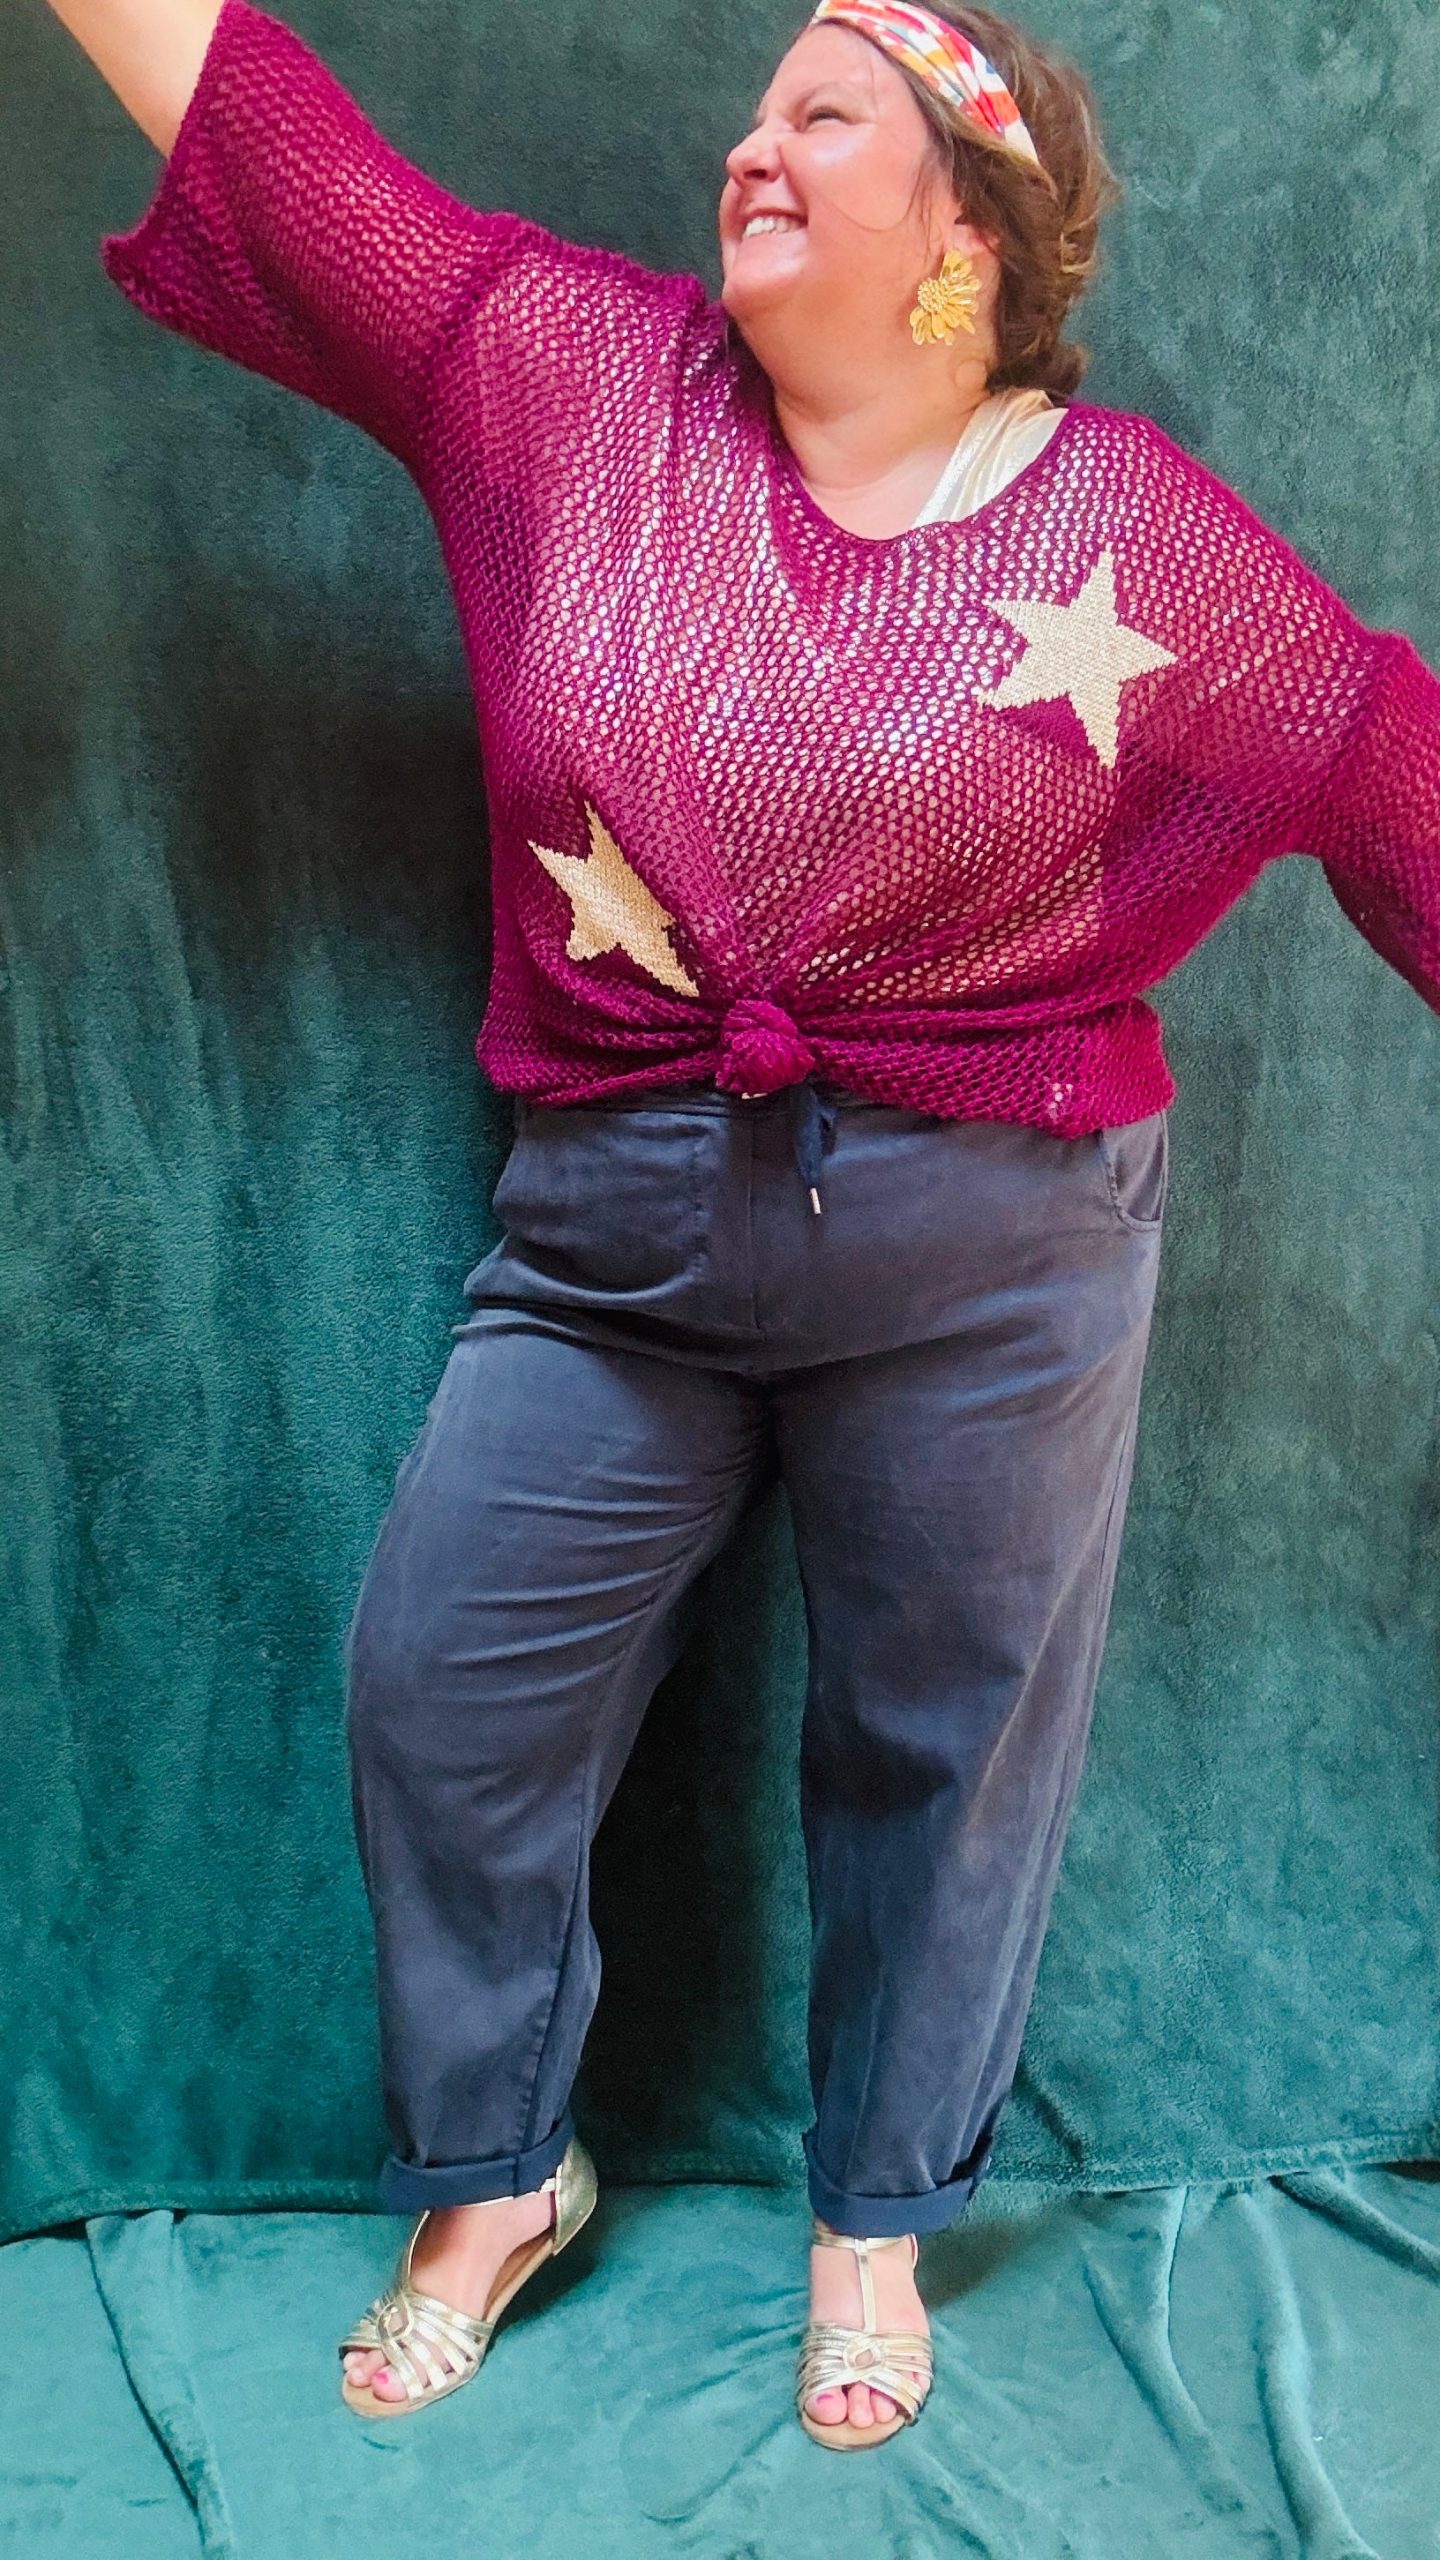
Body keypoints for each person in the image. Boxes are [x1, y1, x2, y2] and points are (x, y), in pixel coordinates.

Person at [52, 0, 1440, 2453]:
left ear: (969, 233)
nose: (751, 144)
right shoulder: (557, 375)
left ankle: (872, 2220)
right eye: (756, 106)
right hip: (618, 1231)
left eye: (825, 114)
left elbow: (1381, 767)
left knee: (941, 1749)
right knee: (440, 1680)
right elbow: (272, 140)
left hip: (993, 1257)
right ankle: (501, 2168)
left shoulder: (1136, 537)